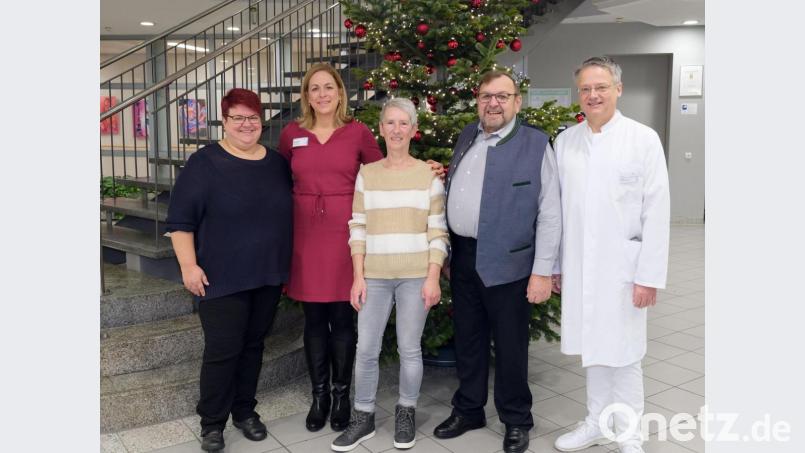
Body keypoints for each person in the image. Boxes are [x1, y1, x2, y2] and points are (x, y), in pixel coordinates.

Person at [277, 63, 445, 433]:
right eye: (314, 88)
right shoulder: (292, 134)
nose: (322, 94)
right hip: (306, 233)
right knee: (314, 320)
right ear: (306, 95)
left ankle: (342, 398)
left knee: (343, 319)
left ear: (340, 92)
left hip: (347, 236)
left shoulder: (356, 133)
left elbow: (387, 168)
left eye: (329, 87)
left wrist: (428, 168)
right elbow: (277, 180)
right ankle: (319, 396)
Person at [432, 70, 561, 453]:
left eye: (502, 96)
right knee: (469, 340)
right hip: (465, 258)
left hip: (510, 264)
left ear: (517, 101)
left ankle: (516, 418)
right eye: (487, 95)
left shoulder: (536, 144)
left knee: (509, 346)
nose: (493, 103)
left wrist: (542, 272)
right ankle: (470, 409)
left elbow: (550, 213)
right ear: (477, 100)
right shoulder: (467, 135)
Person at [551, 56, 670, 453]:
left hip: (625, 267)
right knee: (595, 348)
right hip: (581, 266)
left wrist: (649, 275)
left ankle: (630, 431)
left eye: (601, 87)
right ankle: (597, 421)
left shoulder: (642, 139)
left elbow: (657, 210)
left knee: (626, 351)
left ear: (618, 89)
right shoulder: (566, 142)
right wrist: (554, 266)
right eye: (585, 89)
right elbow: (555, 211)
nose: (593, 95)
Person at [165, 88, 293, 452]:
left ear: (262, 120)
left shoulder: (277, 162)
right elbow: (180, 221)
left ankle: (245, 411)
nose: (246, 124)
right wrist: (189, 266)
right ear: (225, 121)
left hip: (267, 274)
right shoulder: (204, 162)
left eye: (252, 117)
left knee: (253, 346)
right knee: (223, 349)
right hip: (220, 276)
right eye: (237, 117)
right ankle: (212, 422)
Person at [330, 98, 449, 451]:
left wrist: (432, 277)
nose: (397, 130)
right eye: (390, 123)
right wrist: (358, 275)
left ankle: (406, 411)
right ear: (380, 129)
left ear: (414, 130)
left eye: (404, 124)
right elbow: (358, 226)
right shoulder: (368, 174)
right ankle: (363, 416)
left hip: (416, 275)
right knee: (366, 348)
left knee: (409, 349)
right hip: (375, 276)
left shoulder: (429, 175)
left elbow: (437, 231)